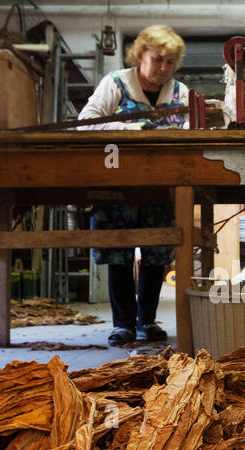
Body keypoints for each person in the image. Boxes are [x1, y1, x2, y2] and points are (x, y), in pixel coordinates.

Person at [77, 24, 189, 345]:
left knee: (156, 253)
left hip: (161, 186)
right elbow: (86, 123)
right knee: (119, 252)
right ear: (141, 55)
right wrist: (130, 127)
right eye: (158, 60)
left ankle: (147, 321)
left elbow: (193, 128)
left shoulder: (179, 92)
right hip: (116, 183)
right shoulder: (116, 84)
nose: (163, 69)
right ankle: (123, 324)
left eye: (170, 63)